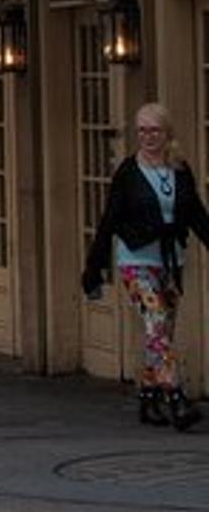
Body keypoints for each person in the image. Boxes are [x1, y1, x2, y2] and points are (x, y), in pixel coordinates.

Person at [83, 102, 208, 430]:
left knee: (162, 332)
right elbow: (110, 220)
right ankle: (177, 398)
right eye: (141, 130)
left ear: (167, 133)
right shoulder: (128, 171)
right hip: (136, 260)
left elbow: (195, 212)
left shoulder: (180, 169)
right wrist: (94, 268)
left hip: (171, 260)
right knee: (155, 327)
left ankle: (148, 398)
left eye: (154, 130)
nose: (148, 137)